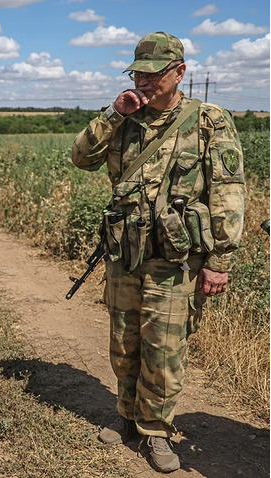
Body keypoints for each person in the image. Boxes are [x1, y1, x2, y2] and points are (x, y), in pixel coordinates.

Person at [71, 32, 244, 473]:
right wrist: (114, 113)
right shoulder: (125, 118)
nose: (144, 83)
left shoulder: (209, 121)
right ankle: (127, 418)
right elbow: (81, 158)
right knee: (124, 343)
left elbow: (228, 192)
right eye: (139, 74)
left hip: (177, 260)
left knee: (164, 351)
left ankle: (156, 432)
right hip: (125, 255)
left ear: (179, 73)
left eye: (153, 75)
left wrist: (220, 261)